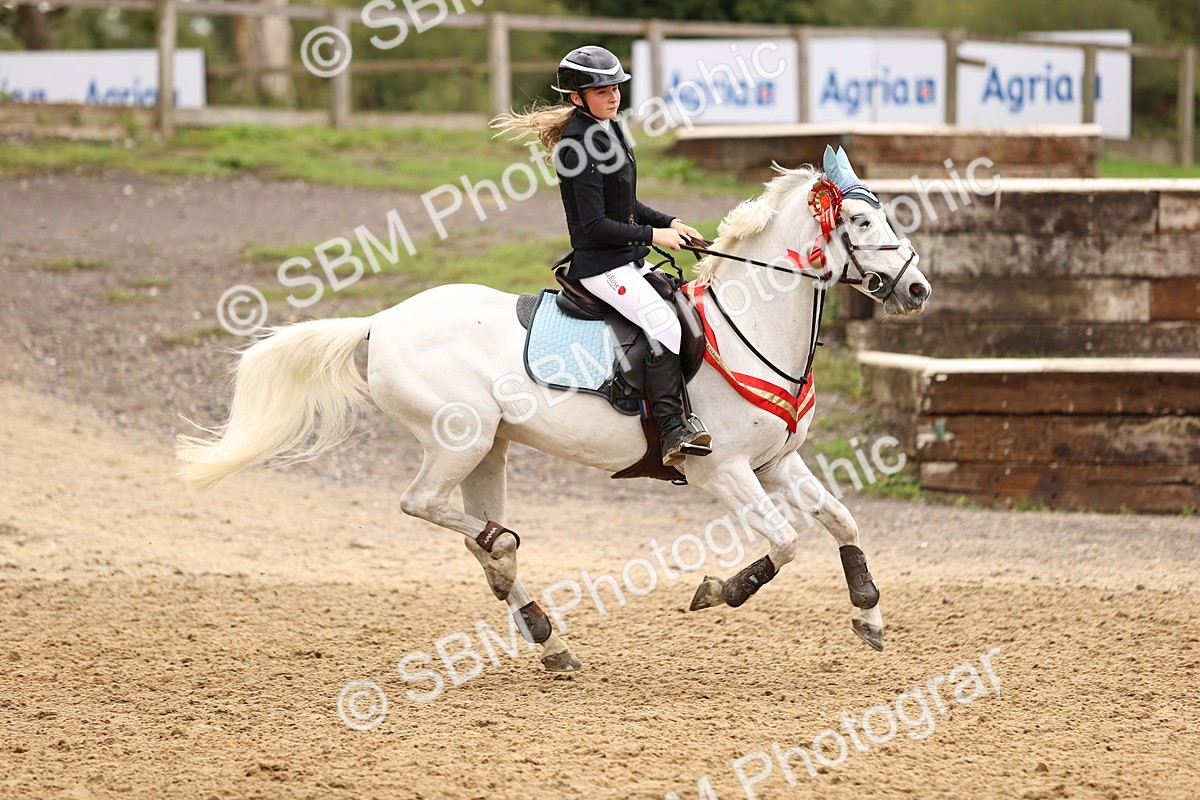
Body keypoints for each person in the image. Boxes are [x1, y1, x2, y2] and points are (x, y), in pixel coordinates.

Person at [492, 45, 712, 467]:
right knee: (664, 325)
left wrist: (672, 221)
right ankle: (671, 430)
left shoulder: (611, 129)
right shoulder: (575, 148)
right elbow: (594, 226)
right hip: (601, 266)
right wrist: (655, 235)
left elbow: (625, 204)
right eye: (601, 91)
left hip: (626, 258)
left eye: (616, 87)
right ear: (576, 97)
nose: (613, 96)